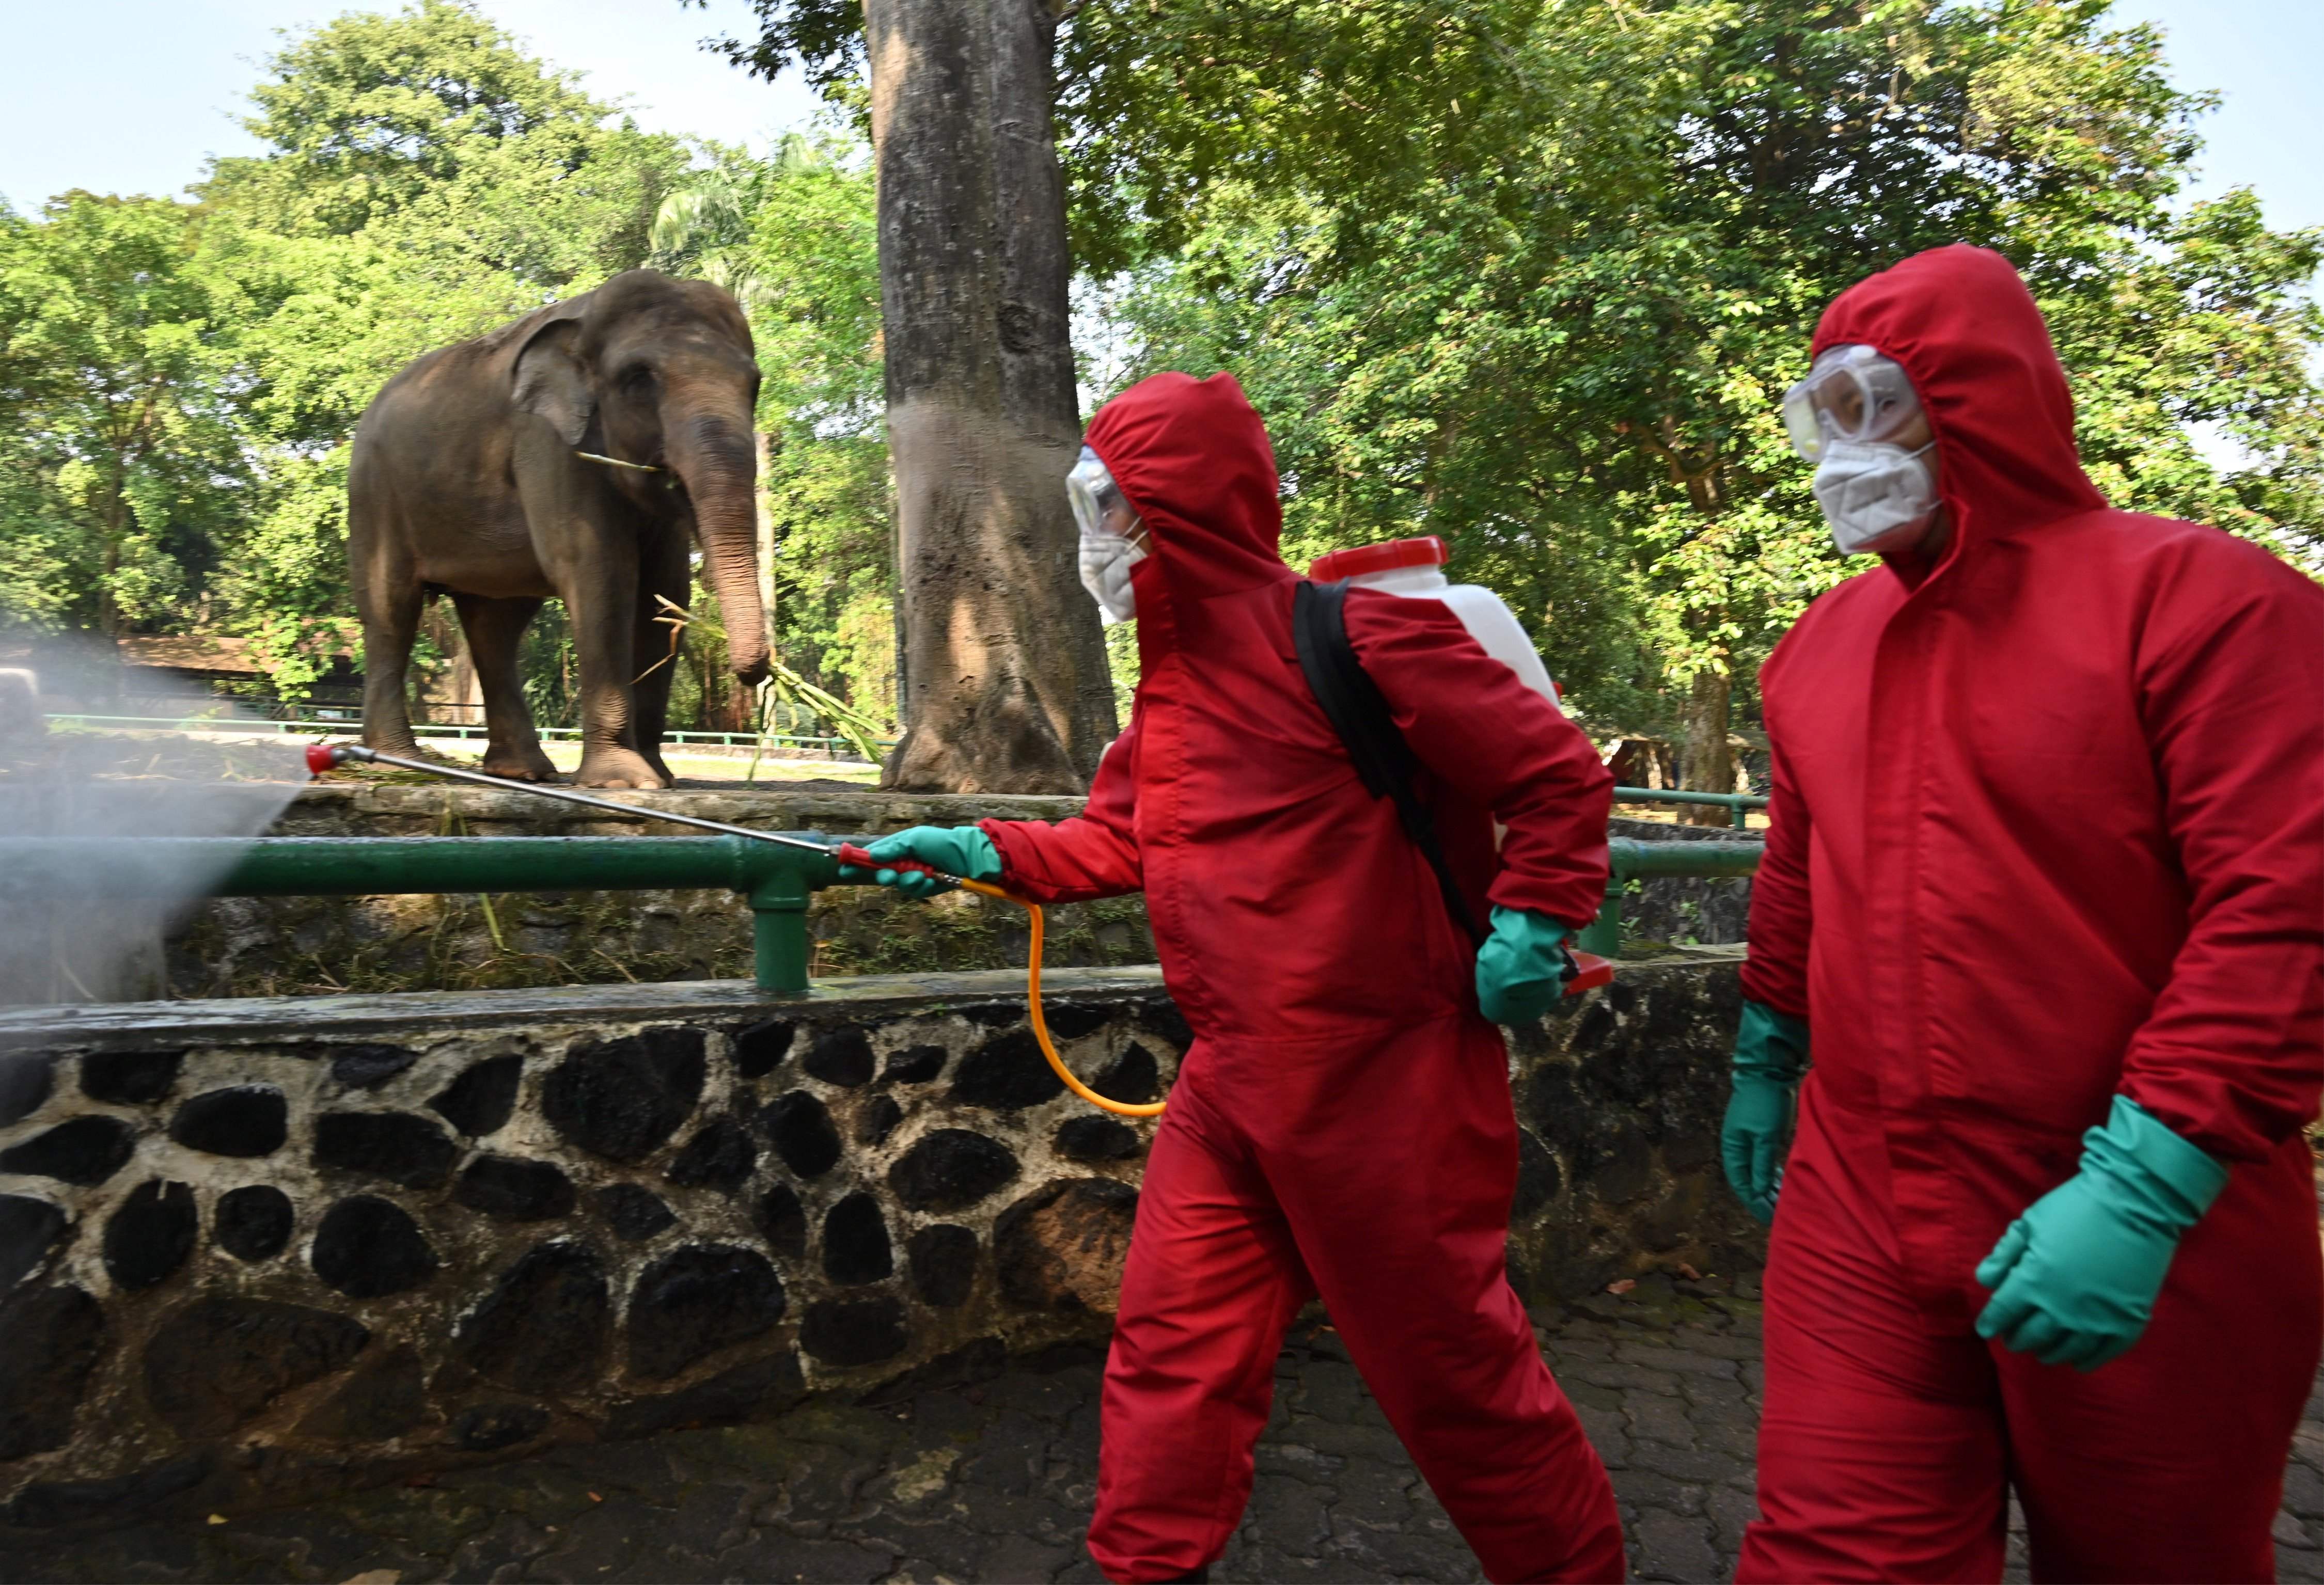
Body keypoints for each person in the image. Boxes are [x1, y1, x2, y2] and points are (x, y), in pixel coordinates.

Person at [846, 371, 1626, 1583]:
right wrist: (980, 847)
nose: (1095, 540)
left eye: (1116, 508)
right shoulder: (1171, 689)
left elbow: (1557, 775)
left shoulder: (1358, 635)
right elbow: (1121, 840)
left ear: (1186, 512)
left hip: (1388, 1084)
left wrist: (1533, 920)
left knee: (1456, 1380)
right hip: (1235, 1080)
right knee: (1173, 1351)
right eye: (1090, 506)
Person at [1723, 243, 2324, 1581]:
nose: (1842, 446)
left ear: (1977, 403)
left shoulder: (2205, 604)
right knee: (1832, 1554)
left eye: (1875, 404)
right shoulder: (1820, 648)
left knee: (2153, 1556)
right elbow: (1797, 878)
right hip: (1857, 1193)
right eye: (1824, 412)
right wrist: (1766, 1051)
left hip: (2152, 1204)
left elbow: (2285, 907)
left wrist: (2146, 1176)